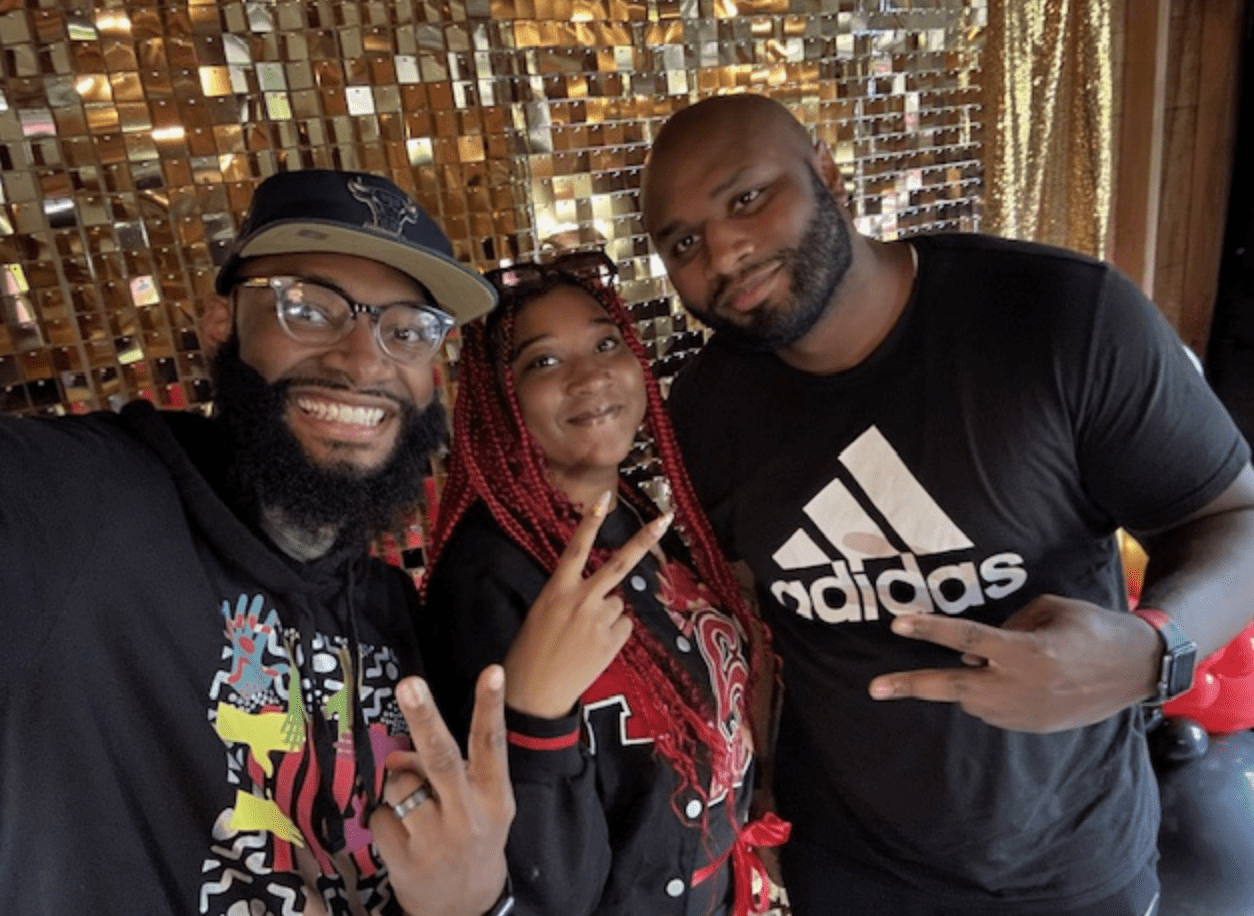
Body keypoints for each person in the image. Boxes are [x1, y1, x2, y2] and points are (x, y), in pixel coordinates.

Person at [639, 93, 1254, 915]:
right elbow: (742, 623)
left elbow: (1234, 519)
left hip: (1071, 869)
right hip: (850, 873)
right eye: (683, 242)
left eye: (746, 198)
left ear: (826, 170)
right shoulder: (705, 416)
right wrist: (757, 797)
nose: (724, 250)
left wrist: (1151, 653)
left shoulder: (1059, 317)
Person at [0, 169, 649, 915]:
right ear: (221, 322)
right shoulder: (85, 509)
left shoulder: (388, 613)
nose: (365, 360)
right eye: (308, 308)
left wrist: (473, 902)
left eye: (406, 329)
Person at [420, 251, 789, 916]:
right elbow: (523, 875)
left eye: (605, 342)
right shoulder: (487, 579)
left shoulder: (645, 519)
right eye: (544, 361)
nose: (592, 375)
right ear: (500, 400)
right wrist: (534, 718)